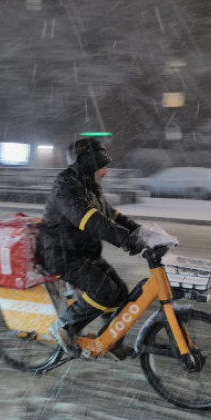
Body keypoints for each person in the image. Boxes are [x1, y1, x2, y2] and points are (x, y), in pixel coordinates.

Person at [37, 138, 144, 356]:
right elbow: (92, 220)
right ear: (86, 164)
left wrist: (140, 232)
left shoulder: (90, 187)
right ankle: (64, 326)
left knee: (121, 293)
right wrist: (126, 240)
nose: (105, 172)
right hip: (62, 255)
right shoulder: (66, 187)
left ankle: (110, 340)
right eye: (101, 166)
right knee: (104, 291)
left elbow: (111, 215)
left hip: (83, 253)